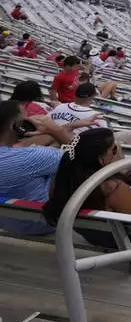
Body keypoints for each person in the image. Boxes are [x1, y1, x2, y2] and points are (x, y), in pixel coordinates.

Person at [0, 99, 72, 234]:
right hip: (36, 224)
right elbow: (84, 158)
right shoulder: (33, 156)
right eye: (26, 118)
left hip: (5, 221)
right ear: (15, 125)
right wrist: (56, 131)